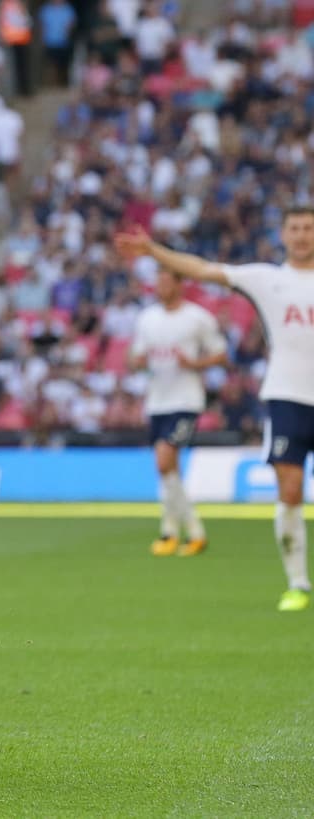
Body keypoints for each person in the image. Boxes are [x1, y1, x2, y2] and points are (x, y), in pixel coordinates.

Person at [116, 212, 314, 612]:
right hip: (288, 394)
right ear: (283, 234)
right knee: (289, 491)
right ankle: (298, 583)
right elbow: (204, 270)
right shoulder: (265, 278)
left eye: (309, 228)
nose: (302, 235)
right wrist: (152, 249)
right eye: (295, 228)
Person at [129, 268, 227, 556]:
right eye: (158, 282)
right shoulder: (147, 318)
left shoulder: (197, 318)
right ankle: (169, 532)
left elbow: (220, 354)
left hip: (186, 401)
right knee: (169, 470)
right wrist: (139, 361)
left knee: (164, 459)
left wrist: (195, 364)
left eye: (166, 281)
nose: (161, 287)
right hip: (157, 400)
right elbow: (136, 359)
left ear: (179, 285)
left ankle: (196, 531)